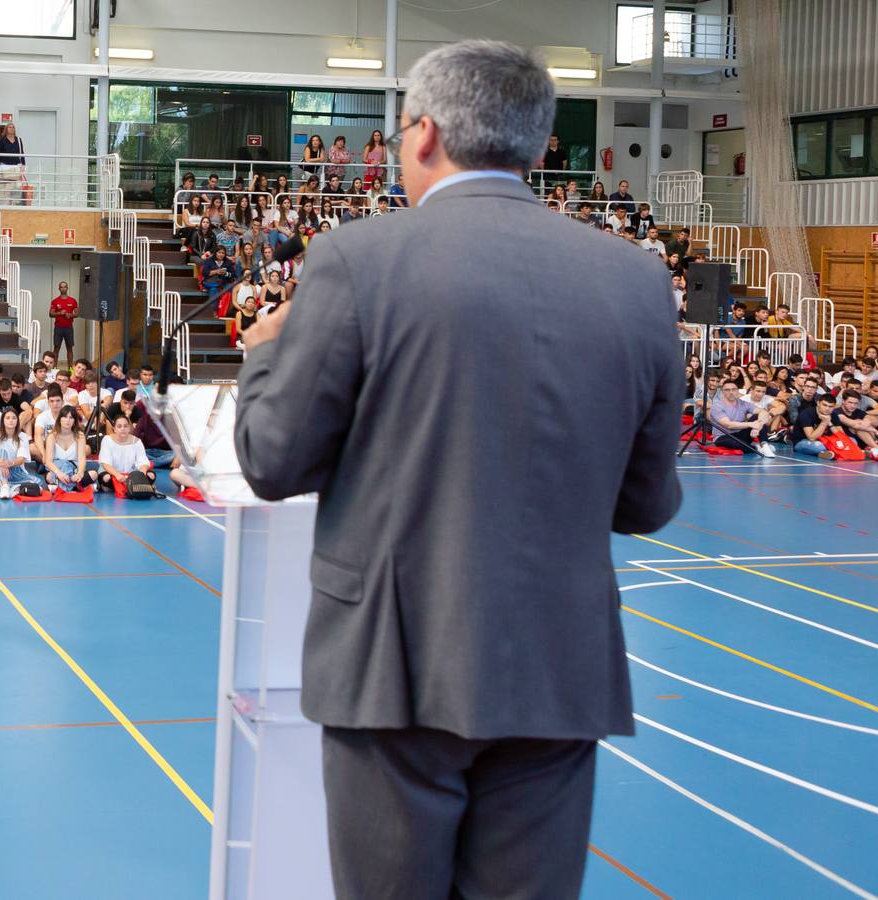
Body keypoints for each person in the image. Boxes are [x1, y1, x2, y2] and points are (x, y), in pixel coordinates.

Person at [231, 42, 681, 898]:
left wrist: (262, 357)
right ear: (538, 147)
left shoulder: (359, 259)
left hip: (392, 668)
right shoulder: (633, 278)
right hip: (556, 664)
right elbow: (647, 501)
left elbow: (271, 461)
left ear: (425, 134)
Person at [49, 283, 78, 362]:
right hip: (58, 328)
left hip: (69, 328)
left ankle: (70, 370)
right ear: (59, 289)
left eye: (65, 287)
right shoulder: (55, 301)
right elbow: (50, 314)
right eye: (61, 287)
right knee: (56, 348)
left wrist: (71, 315)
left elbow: (77, 313)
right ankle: (54, 369)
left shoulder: (73, 300)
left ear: (67, 288)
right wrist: (59, 313)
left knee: (69, 348)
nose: (63, 289)